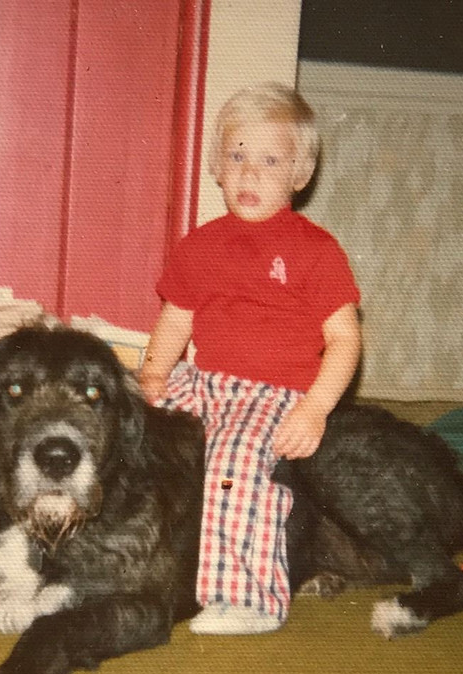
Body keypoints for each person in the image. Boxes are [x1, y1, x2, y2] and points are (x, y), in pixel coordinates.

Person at [139, 83, 362, 635]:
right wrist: (151, 374)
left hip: (274, 393)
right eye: (237, 156)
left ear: (299, 175)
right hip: (205, 380)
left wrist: (315, 409)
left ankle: (250, 598)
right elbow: (175, 319)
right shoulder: (199, 245)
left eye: (270, 160)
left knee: (233, 465)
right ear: (217, 164)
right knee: (123, 420)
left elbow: (345, 341)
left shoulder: (315, 250)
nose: (250, 173)